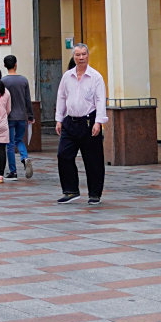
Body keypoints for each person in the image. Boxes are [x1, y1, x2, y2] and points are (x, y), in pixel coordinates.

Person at [55, 43, 108, 205]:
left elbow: (100, 100)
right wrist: (59, 119)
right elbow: (61, 97)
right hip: (70, 121)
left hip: (89, 121)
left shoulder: (96, 77)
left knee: (93, 160)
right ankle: (70, 190)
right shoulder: (67, 76)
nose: (81, 57)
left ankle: (95, 194)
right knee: (63, 155)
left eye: (84, 54)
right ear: (74, 57)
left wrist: (98, 122)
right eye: (78, 55)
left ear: (88, 56)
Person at [1, 55, 35, 180]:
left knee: (10, 144)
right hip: (22, 116)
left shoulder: (3, 81)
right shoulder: (23, 80)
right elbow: (27, 100)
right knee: (19, 140)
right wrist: (30, 115)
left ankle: (13, 172)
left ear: (5, 65)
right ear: (16, 64)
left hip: (9, 117)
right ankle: (25, 157)